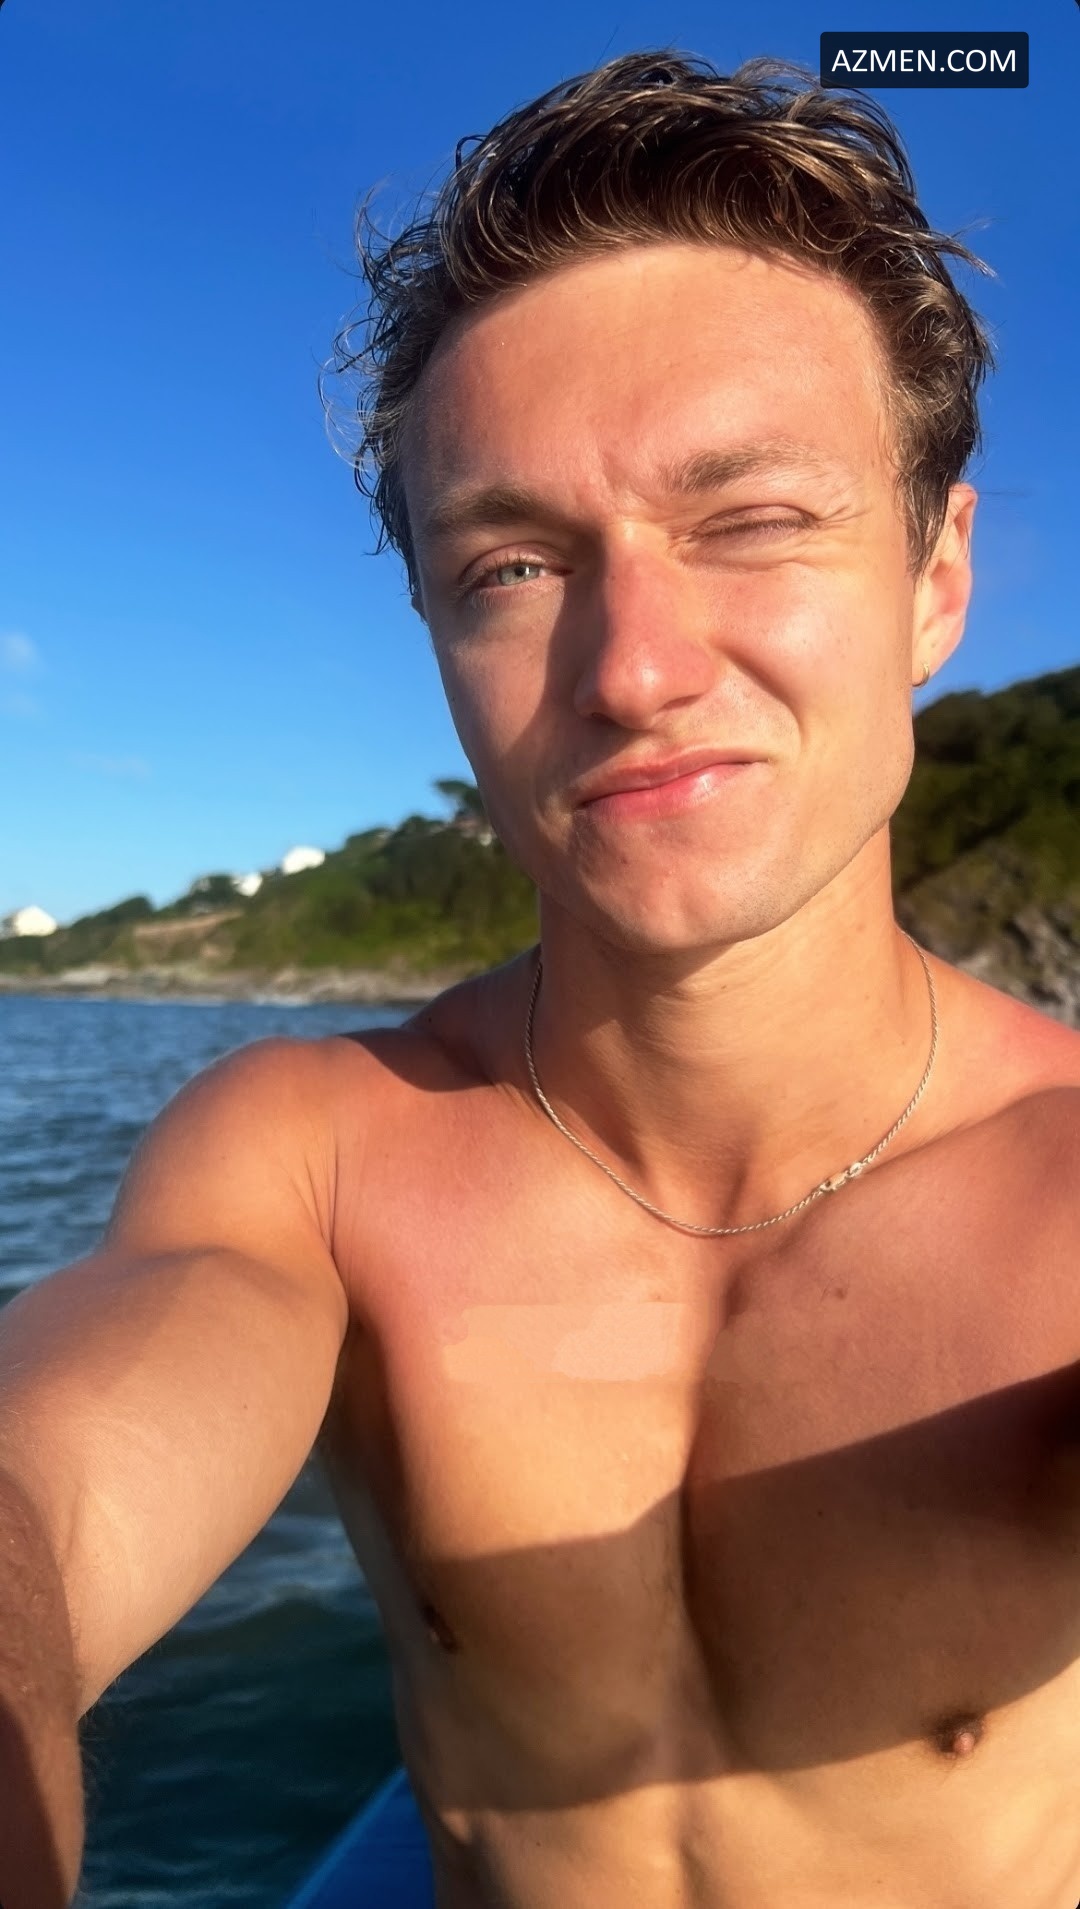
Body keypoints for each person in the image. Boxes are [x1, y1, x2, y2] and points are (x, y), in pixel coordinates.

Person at [2, 47, 1078, 1909]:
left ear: (935, 578)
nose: (635, 668)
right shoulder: (315, 1158)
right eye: (511, 563)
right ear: (431, 621)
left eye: (752, 518)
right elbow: (46, 1500)